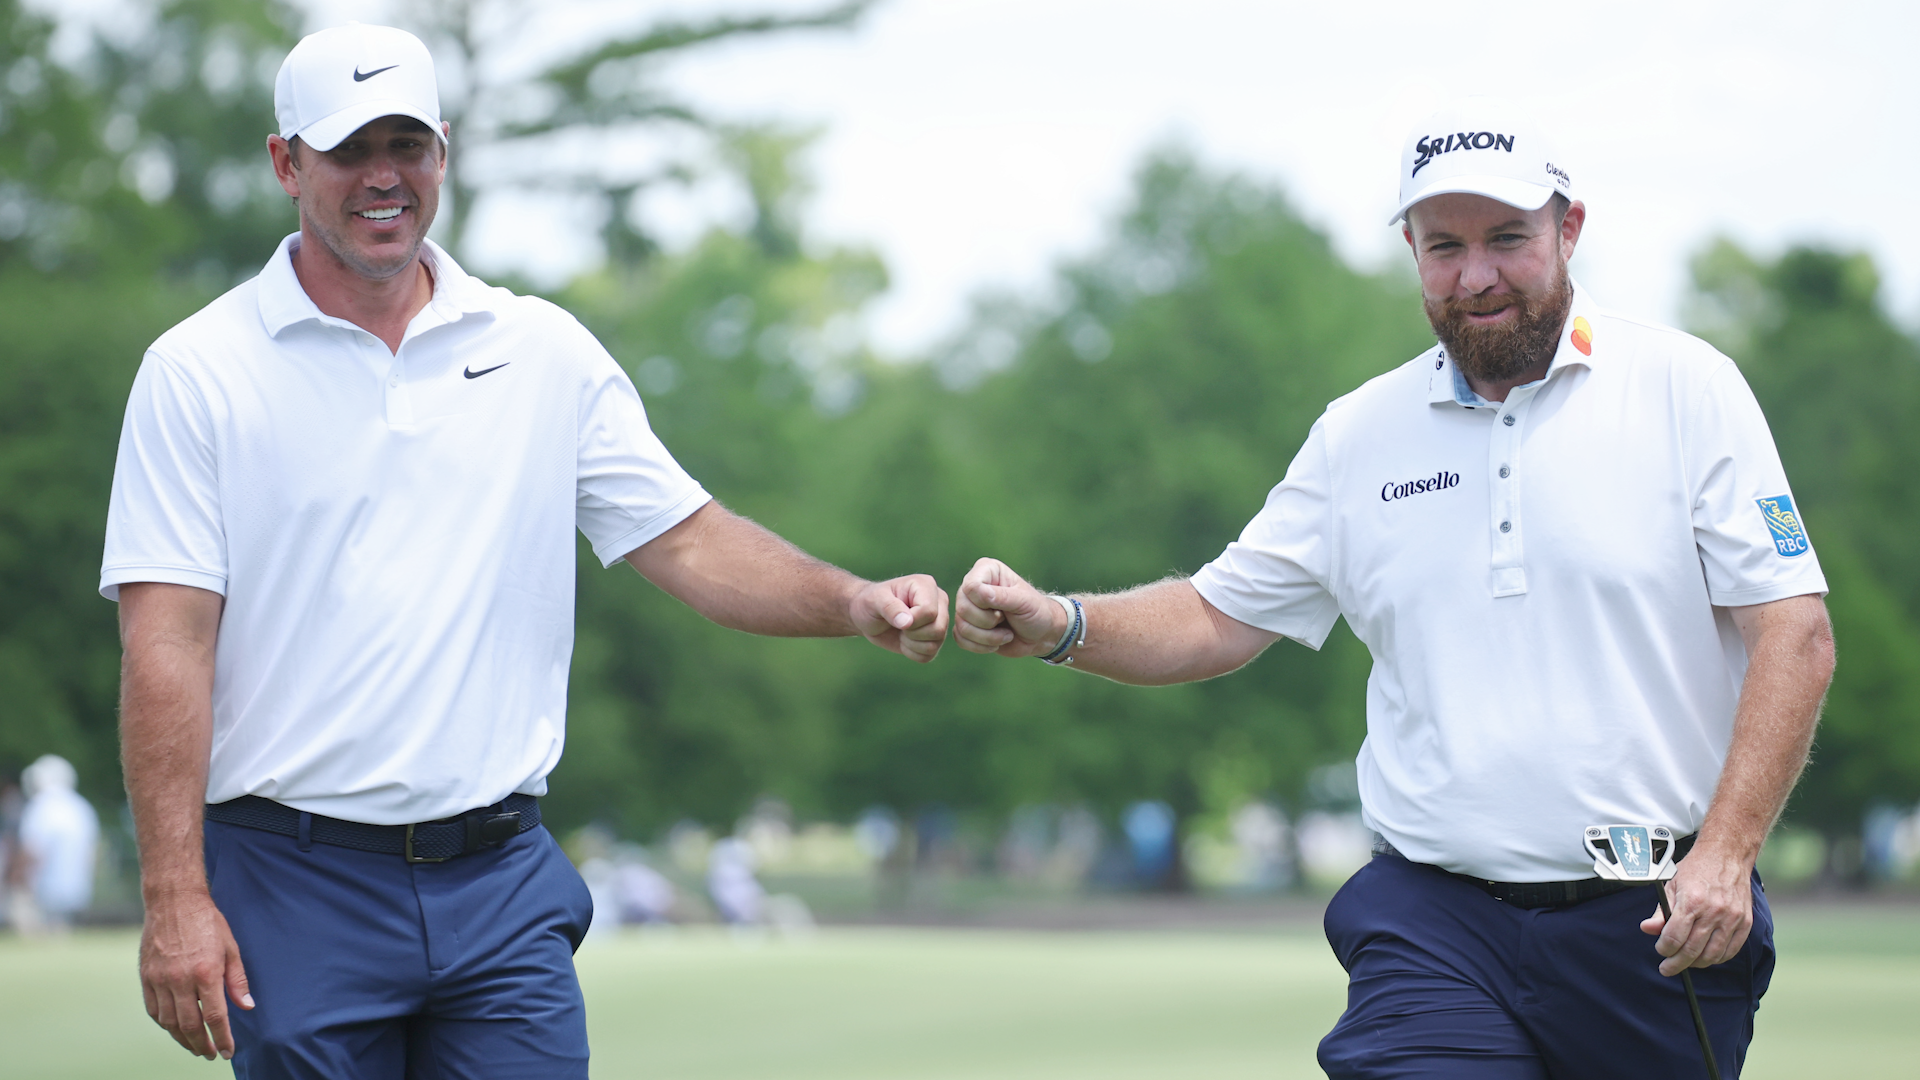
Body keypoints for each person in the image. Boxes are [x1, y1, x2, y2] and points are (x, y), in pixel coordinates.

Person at [102, 23, 947, 1078]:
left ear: (443, 154)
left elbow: (690, 544)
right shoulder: (197, 372)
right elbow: (167, 645)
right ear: (287, 164)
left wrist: (855, 601)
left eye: (407, 146)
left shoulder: (540, 351)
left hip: (499, 882)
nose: (384, 178)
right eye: (350, 150)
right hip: (291, 879)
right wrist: (176, 897)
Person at [954, 98, 1834, 1078]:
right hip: (1432, 919)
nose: (1477, 275)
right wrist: (1064, 622)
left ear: (1568, 228)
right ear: (1412, 251)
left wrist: (1727, 853)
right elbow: (1215, 616)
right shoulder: (1358, 434)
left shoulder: (1686, 388)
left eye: (1507, 238)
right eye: (1443, 247)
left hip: (1653, 916)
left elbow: (1793, 634)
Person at [15, 755, 101, 933]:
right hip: (77, 888)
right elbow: (92, 852)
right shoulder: (82, 807)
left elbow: (33, 850)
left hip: (45, 886)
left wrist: (19, 878)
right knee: (63, 928)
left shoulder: (41, 806)